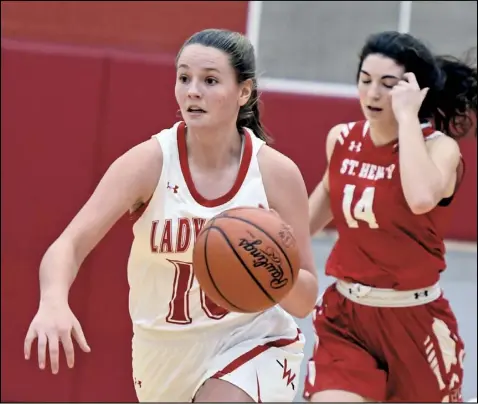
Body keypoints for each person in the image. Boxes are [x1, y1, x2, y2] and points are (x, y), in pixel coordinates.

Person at [23, 29, 319, 402]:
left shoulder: (276, 174)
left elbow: (305, 299)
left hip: (252, 340)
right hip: (163, 354)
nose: (193, 91)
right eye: (184, 77)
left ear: (244, 92)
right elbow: (70, 243)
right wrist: (53, 302)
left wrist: (266, 266)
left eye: (210, 80)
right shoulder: (149, 162)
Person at [303, 31, 476, 403]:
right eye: (365, 81)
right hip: (346, 319)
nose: (373, 93)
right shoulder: (342, 139)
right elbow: (306, 224)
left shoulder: (440, 149)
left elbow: (420, 197)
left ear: (415, 91)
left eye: (388, 84)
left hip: (414, 322)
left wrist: (409, 118)